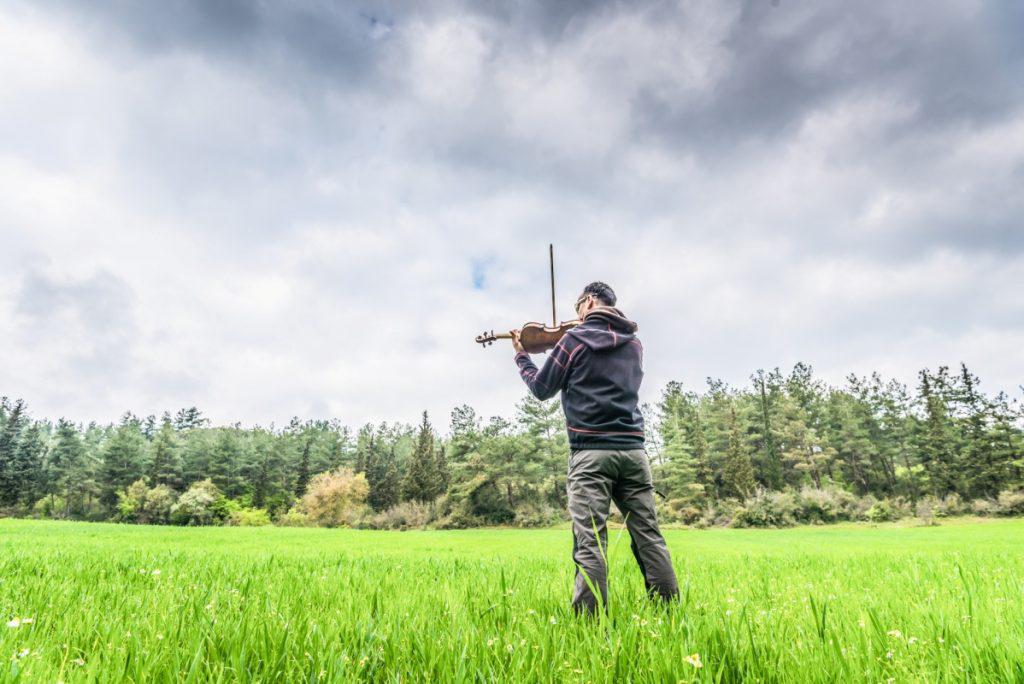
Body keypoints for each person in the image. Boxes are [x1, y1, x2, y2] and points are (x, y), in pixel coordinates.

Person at [511, 282, 679, 614]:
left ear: (588, 301)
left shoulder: (574, 341)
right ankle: (669, 612)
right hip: (633, 452)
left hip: (591, 455)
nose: (575, 319)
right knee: (649, 536)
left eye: (578, 311)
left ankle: (589, 623)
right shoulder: (634, 344)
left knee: (590, 542)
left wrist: (521, 356)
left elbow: (541, 389)